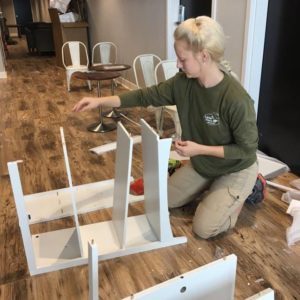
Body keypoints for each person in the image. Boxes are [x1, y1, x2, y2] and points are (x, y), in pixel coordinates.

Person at [72, 16, 258, 239]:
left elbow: (247, 150)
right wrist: (100, 101)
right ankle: (214, 190)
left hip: (237, 167)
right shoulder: (183, 83)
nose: (178, 64)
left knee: (203, 228)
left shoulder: (236, 99)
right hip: (205, 163)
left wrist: (199, 149)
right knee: (162, 201)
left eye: (182, 59)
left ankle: (240, 196)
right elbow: (144, 95)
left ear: (204, 56)